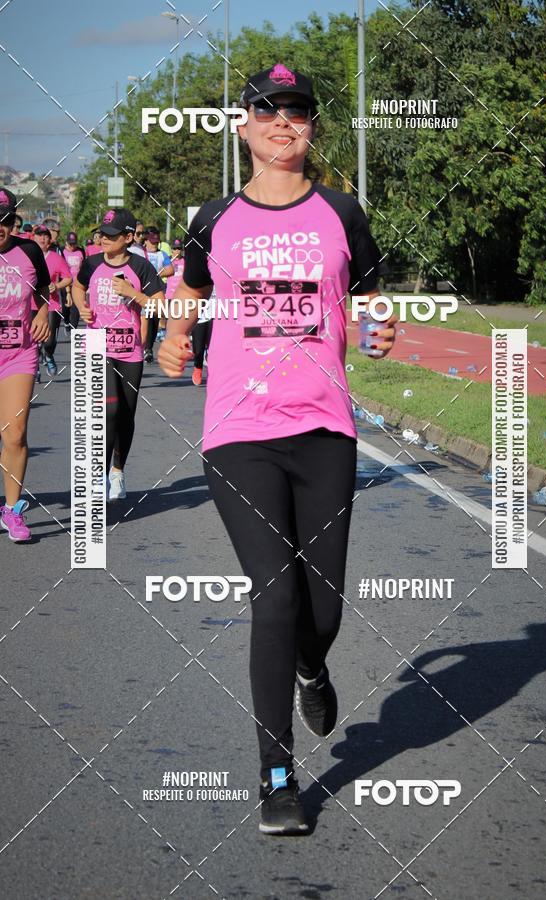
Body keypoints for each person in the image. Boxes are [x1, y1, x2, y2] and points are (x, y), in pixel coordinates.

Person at [159, 65, 396, 834]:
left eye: (296, 110)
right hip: (239, 433)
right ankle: (276, 773)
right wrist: (174, 332)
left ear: (310, 126)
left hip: (325, 427)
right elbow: (191, 290)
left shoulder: (340, 211)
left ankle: (312, 664)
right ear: (244, 125)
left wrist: (381, 330)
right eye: (268, 110)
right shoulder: (214, 215)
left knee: (321, 605)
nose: (282, 121)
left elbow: (369, 298)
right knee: (276, 591)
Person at [72, 208, 165, 501]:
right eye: (102, 233)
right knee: (109, 410)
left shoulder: (141, 268)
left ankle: (117, 471)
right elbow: (77, 286)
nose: (103, 239)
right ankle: (97, 474)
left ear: (127, 237)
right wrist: (81, 306)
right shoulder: (91, 263)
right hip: (97, 345)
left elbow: (160, 308)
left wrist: (132, 293)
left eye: (111, 236)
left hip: (130, 350)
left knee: (126, 414)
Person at [0, 188, 51, 541]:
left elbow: (44, 291)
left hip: (19, 351)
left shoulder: (30, 250)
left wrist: (45, 312)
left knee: (14, 433)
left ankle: (12, 509)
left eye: (4, 220)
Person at [32, 226, 72, 376]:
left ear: (50, 240)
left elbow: (68, 278)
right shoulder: (28, 255)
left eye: (45, 236)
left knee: (49, 340)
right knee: (32, 339)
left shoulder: (56, 258)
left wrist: (57, 286)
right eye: (39, 235)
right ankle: (34, 367)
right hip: (30, 303)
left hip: (52, 304)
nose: (42, 238)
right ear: (34, 238)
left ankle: (48, 355)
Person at [141, 226, 173, 361]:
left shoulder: (162, 255)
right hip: (141, 291)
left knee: (154, 320)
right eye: (151, 242)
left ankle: (148, 348)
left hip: (157, 290)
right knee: (144, 318)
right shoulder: (139, 253)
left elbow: (170, 270)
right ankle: (142, 347)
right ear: (145, 241)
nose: (154, 244)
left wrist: (156, 274)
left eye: (156, 242)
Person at [62, 231, 85, 332]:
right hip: (65, 282)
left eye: (74, 243)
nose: (72, 246)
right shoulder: (62, 251)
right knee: (66, 307)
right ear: (66, 242)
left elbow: (84, 266)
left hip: (77, 284)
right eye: (70, 243)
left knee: (75, 308)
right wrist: (67, 289)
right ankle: (66, 321)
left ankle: (73, 329)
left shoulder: (80, 251)